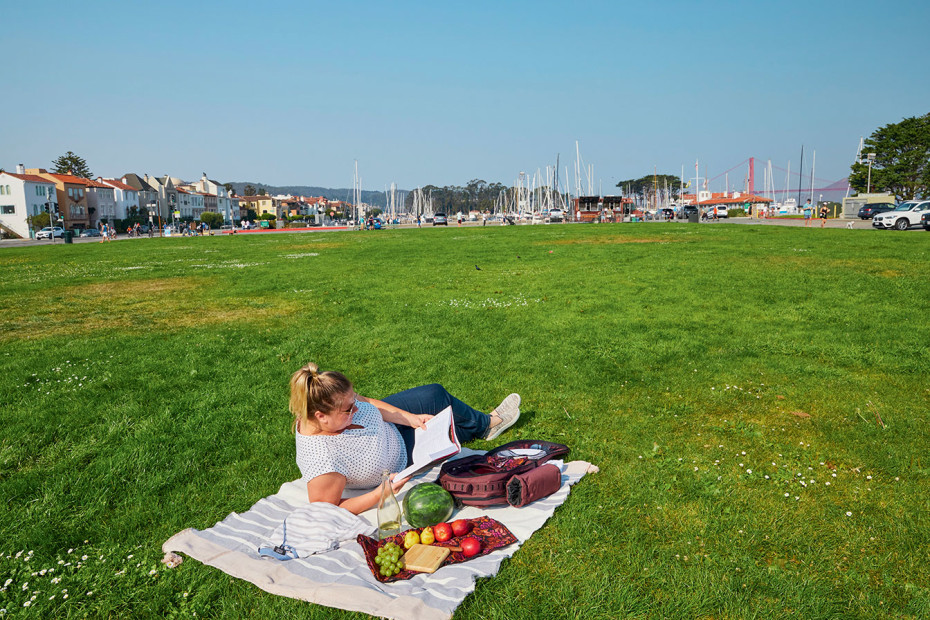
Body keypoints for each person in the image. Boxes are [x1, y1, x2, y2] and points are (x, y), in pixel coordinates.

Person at [289, 363, 520, 514]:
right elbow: (327, 510)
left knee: (435, 394)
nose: (356, 408)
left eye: (353, 402)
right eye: (349, 409)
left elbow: (367, 402)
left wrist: (409, 418)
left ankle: (483, 425)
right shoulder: (322, 460)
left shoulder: (328, 400)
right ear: (321, 417)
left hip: (389, 424)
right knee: (445, 438)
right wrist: (383, 492)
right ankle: (487, 424)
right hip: (400, 454)